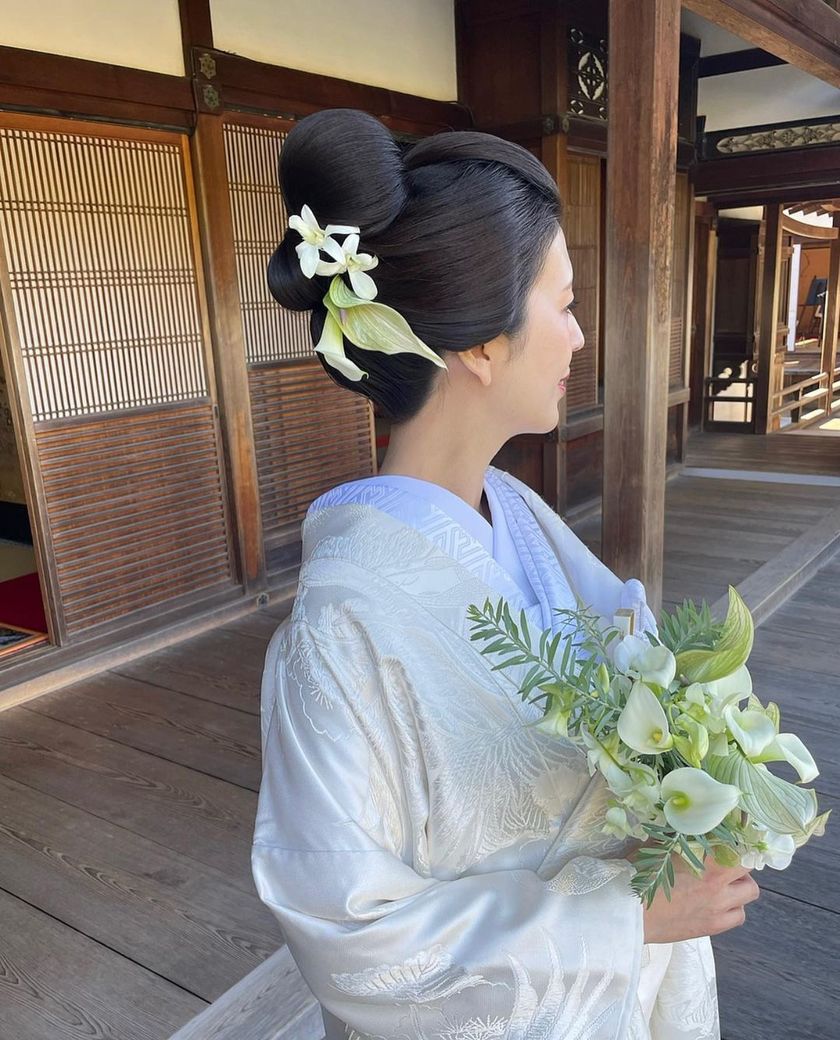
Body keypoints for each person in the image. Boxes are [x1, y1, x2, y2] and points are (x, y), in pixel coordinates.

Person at [251, 108, 759, 1040]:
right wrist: (626, 917)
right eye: (562, 303)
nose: (577, 335)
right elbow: (348, 930)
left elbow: (625, 639)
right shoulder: (338, 628)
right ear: (482, 344)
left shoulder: (513, 509)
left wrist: (701, 753)